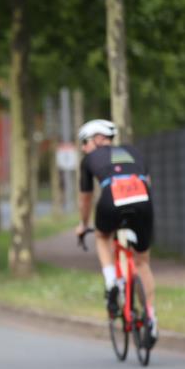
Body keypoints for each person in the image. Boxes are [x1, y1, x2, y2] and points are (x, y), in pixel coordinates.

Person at [73, 119, 157, 343]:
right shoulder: (132, 151)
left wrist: (83, 224)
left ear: (99, 139)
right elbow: (148, 181)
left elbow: (86, 198)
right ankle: (151, 319)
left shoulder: (89, 159)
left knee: (102, 236)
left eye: (85, 142)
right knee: (142, 263)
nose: (83, 148)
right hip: (142, 199)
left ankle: (112, 283)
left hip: (112, 197)